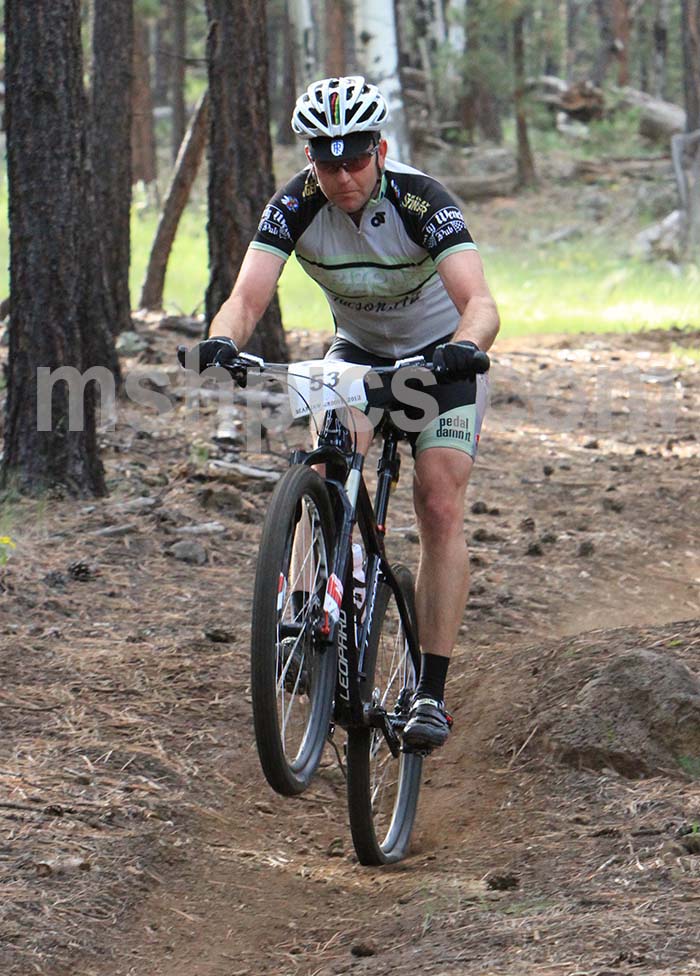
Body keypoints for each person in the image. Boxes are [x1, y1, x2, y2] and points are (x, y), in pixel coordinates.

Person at [193, 76, 500, 750]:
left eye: (355, 159)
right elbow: (246, 297)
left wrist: (463, 350)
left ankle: (430, 692)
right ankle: (307, 615)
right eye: (326, 163)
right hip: (357, 354)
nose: (342, 177)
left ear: (380, 149)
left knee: (439, 501)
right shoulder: (297, 203)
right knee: (327, 463)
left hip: (439, 360)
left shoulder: (422, 200)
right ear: (311, 160)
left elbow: (481, 304)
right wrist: (223, 340)